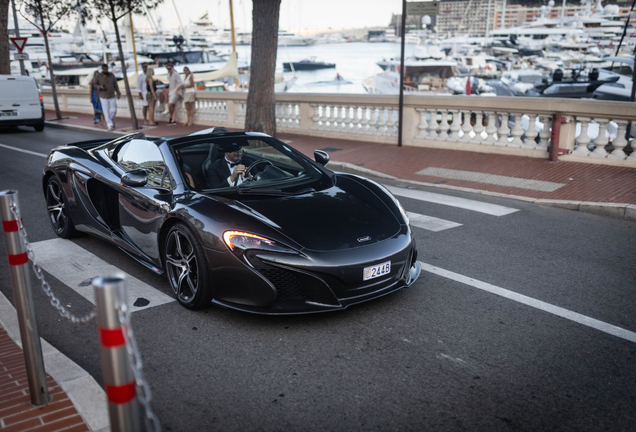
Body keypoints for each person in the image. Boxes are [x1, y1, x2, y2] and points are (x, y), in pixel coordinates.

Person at [95, 64, 121, 131]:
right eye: (104, 69)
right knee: (106, 111)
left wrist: (118, 93)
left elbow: (115, 84)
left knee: (114, 109)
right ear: (102, 69)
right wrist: (100, 87)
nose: (106, 70)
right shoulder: (98, 76)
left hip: (112, 95)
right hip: (103, 96)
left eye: (106, 69)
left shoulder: (111, 75)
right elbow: (94, 84)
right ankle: (109, 125)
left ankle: (111, 119)